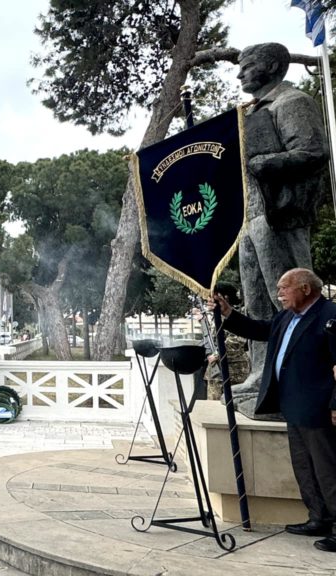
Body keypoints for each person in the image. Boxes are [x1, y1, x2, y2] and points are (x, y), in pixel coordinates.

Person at [214, 268, 336, 552]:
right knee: (304, 468)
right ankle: (318, 517)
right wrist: (228, 312)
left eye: (284, 288)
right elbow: (259, 330)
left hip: (319, 408)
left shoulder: (329, 315)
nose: (278, 294)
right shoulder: (286, 317)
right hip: (292, 407)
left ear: (305, 289)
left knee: (328, 470)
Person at [237, 43, 329, 386]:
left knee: (290, 295)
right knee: (256, 298)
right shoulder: (252, 110)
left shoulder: (292, 102)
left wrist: (263, 163)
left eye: (247, 66)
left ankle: (297, 373)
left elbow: (312, 151)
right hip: (252, 216)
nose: (239, 73)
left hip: (282, 213)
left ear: (272, 66)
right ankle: (262, 371)